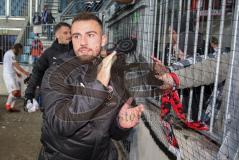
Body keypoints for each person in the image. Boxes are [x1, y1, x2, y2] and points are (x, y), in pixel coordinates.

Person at [38, 12, 144, 160]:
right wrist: (98, 85)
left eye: (90, 35)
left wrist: (121, 125)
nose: (82, 42)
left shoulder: (114, 74)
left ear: (103, 39)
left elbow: (110, 131)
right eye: (76, 36)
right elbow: (60, 124)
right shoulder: (56, 73)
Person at [24, 22, 72, 107]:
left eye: (70, 33)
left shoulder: (76, 51)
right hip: (53, 100)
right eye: (65, 33)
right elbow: (37, 72)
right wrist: (29, 94)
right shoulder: (49, 53)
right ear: (57, 35)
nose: (69, 35)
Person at [3, 43, 29, 112]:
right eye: (21, 51)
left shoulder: (11, 54)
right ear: (18, 49)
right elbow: (16, 65)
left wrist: (17, 72)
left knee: (18, 93)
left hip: (12, 74)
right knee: (14, 92)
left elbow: (10, 65)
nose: (21, 52)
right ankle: (8, 105)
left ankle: (12, 107)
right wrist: (25, 72)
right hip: (8, 75)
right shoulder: (10, 54)